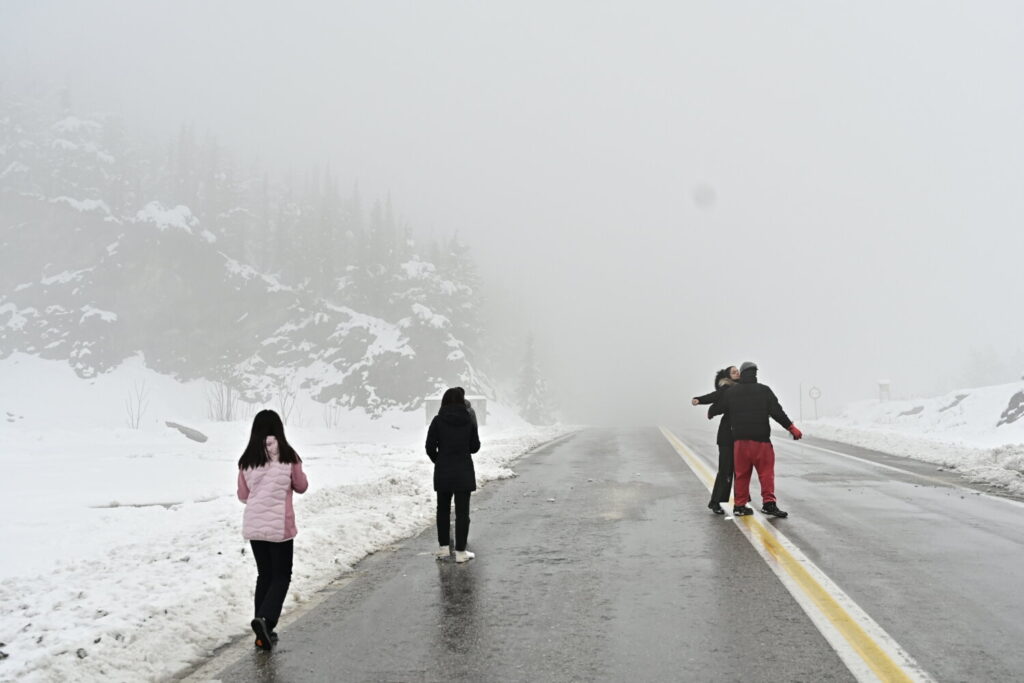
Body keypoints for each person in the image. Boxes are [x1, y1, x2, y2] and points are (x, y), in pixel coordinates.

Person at [236, 409, 309, 651]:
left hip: (255, 525)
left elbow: (243, 495)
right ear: (279, 429)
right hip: (280, 526)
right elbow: (301, 486)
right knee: (281, 575)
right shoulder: (289, 455)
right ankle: (266, 621)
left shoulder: (247, 459)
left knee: (264, 574)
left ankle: (262, 630)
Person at [709, 362, 801, 518]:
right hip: (762, 442)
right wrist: (791, 428)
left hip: (740, 443)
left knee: (741, 475)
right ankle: (769, 504)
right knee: (766, 474)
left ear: (742, 374)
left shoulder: (732, 392)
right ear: (755, 374)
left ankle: (739, 506)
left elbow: (716, 408)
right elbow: (778, 412)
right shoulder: (764, 391)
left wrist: (711, 412)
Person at [426, 387, 481, 563]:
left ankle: (443, 549)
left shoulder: (437, 420)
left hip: (443, 471)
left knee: (442, 510)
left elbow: (429, 446)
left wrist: (439, 460)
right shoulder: (468, 420)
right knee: (462, 513)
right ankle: (460, 552)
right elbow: (474, 447)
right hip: (463, 471)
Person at [692, 365, 740, 514]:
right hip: (727, 436)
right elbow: (713, 397)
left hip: (740, 436)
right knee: (725, 471)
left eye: (738, 370)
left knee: (740, 472)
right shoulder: (725, 389)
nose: (737, 372)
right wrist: (699, 400)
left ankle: (741, 503)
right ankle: (715, 502)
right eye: (734, 372)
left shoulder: (743, 388)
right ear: (727, 376)